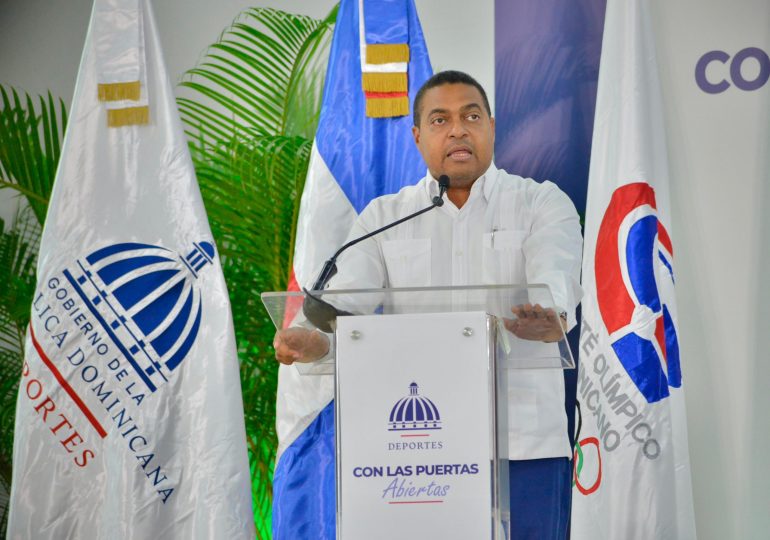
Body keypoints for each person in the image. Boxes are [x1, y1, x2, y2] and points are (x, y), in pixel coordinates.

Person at [274, 70, 582, 539]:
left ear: (492, 128)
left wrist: (549, 315)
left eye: (471, 116)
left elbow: (553, 278)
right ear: (418, 137)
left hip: (524, 446)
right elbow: (344, 312)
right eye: (441, 120)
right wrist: (315, 343)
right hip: (417, 456)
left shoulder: (540, 203)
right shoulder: (384, 217)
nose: (458, 129)